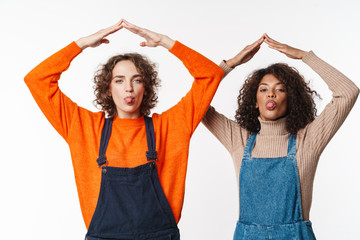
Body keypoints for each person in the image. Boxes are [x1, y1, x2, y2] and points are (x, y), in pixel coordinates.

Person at [25, 19, 223, 240]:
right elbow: (37, 80)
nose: (128, 88)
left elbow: (210, 75)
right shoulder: (83, 127)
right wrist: (82, 44)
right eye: (119, 81)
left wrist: (165, 42)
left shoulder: (171, 125)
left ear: (145, 87)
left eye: (136, 80)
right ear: (108, 89)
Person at [202, 34, 359, 239]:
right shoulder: (239, 140)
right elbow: (197, 103)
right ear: (255, 101)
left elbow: (348, 92)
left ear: (291, 100)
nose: (271, 94)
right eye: (264, 89)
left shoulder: (307, 141)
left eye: (280, 89)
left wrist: (305, 56)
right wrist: (230, 64)